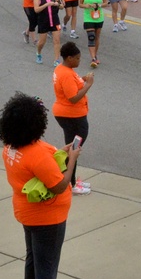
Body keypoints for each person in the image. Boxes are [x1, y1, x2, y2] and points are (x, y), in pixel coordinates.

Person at [0, 92, 81, 279]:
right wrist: (72, 159)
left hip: (27, 214)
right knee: (47, 269)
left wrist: (62, 152)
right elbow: (59, 185)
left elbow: (44, 163)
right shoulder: (36, 154)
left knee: (34, 259)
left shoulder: (11, 147)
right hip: (48, 219)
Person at [52, 42, 94, 196]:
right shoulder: (67, 74)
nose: (79, 61)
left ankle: (72, 181)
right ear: (69, 58)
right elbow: (73, 98)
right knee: (73, 150)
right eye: (77, 58)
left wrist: (82, 80)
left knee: (72, 148)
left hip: (69, 115)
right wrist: (88, 85)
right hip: (71, 116)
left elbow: (74, 85)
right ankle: (70, 184)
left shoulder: (63, 69)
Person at [33, 0, 63, 65]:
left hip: (54, 19)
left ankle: (56, 60)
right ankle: (38, 53)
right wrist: (47, 4)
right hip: (43, 20)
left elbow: (61, 6)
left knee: (57, 40)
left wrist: (58, 4)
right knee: (42, 41)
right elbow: (36, 10)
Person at [80, 0, 105, 68]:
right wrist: (86, 6)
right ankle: (93, 58)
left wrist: (99, 5)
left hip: (99, 17)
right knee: (91, 37)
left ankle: (95, 54)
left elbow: (106, 2)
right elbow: (80, 4)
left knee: (97, 37)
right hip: (88, 17)